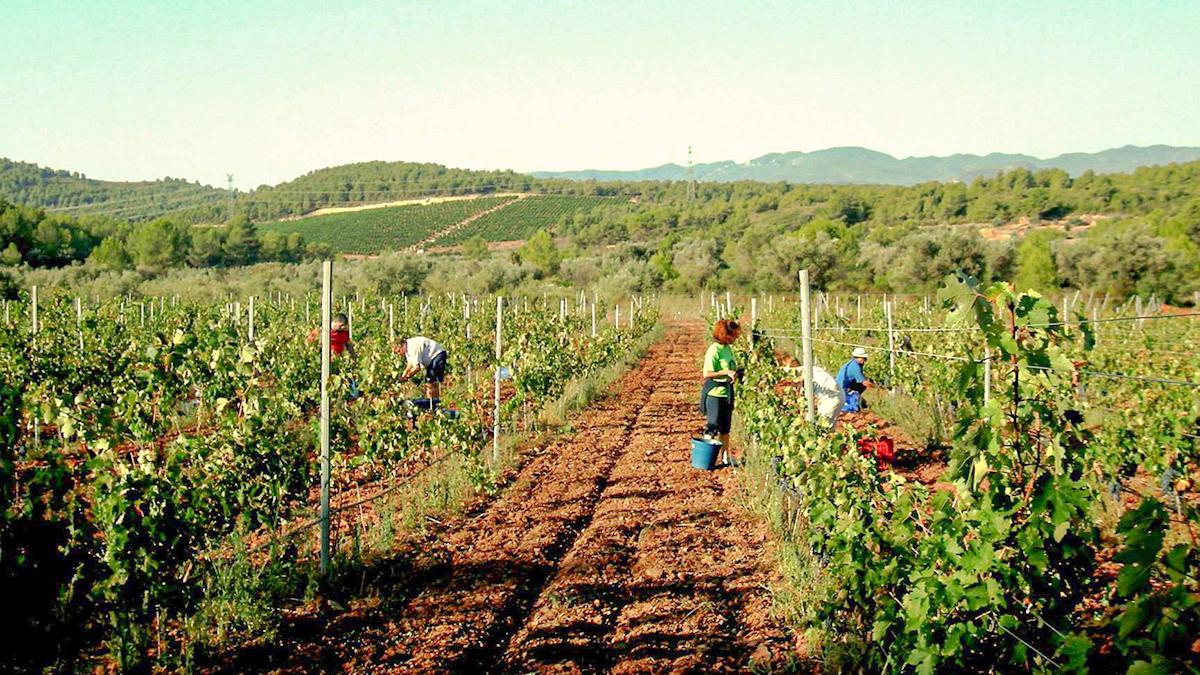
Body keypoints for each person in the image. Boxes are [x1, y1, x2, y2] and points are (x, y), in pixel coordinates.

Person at [701, 319, 742, 465]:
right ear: (725, 335)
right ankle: (706, 458)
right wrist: (725, 372)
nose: (736, 338)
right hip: (715, 394)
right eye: (734, 336)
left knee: (726, 428)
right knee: (713, 426)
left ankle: (725, 458)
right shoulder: (714, 350)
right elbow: (707, 373)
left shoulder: (727, 349)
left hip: (727, 393)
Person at [394, 335, 449, 400]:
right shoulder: (407, 349)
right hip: (431, 359)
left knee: (432, 380)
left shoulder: (413, 347)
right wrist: (404, 375)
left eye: (399, 351)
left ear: (401, 346)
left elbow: (417, 367)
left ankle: (436, 402)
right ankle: (433, 402)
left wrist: (407, 376)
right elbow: (411, 364)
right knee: (430, 381)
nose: (399, 354)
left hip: (437, 354)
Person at [836, 347, 873, 412]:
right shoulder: (855, 367)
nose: (864, 360)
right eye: (862, 358)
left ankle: (857, 398)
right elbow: (864, 382)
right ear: (857, 357)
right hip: (842, 389)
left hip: (844, 386)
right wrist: (877, 388)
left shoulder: (854, 363)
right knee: (864, 385)